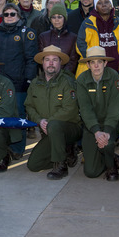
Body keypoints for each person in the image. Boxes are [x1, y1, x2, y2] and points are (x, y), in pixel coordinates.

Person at [0, 3, 38, 156]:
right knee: (1, 116)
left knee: (18, 118)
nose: (9, 17)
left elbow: (31, 59)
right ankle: (2, 146)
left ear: (18, 16)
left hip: (19, 82)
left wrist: (28, 80)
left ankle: (17, 149)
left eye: (12, 14)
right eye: (6, 14)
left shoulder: (27, 33)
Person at [25, 46, 81, 180]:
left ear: (60, 63)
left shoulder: (68, 82)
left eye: (55, 60)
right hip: (49, 131)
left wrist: (49, 122)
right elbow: (29, 106)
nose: (51, 63)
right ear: (42, 63)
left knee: (55, 125)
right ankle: (66, 152)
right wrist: (40, 121)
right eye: (47, 60)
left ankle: (61, 166)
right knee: (33, 165)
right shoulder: (35, 83)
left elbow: (70, 109)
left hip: (70, 129)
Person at [75, 46, 119, 180]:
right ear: (88, 65)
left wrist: (107, 131)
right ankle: (111, 157)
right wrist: (96, 131)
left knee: (107, 143)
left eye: (99, 62)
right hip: (91, 126)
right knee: (90, 172)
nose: (96, 66)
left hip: (111, 123)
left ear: (105, 63)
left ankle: (111, 167)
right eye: (92, 62)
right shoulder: (81, 80)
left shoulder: (113, 76)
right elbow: (85, 109)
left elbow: (115, 107)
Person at [76, 0, 119, 81]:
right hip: (91, 70)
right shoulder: (87, 23)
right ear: (96, 7)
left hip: (116, 68)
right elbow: (80, 45)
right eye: (100, 3)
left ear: (111, 5)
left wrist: (118, 58)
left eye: (106, 2)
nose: (103, 5)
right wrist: (94, 62)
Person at [38, 4, 80, 76]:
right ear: (50, 19)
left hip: (67, 78)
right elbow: (42, 59)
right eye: (53, 17)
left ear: (64, 18)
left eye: (59, 17)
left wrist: (63, 76)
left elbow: (73, 61)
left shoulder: (73, 38)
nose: (56, 20)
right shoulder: (43, 37)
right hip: (48, 76)